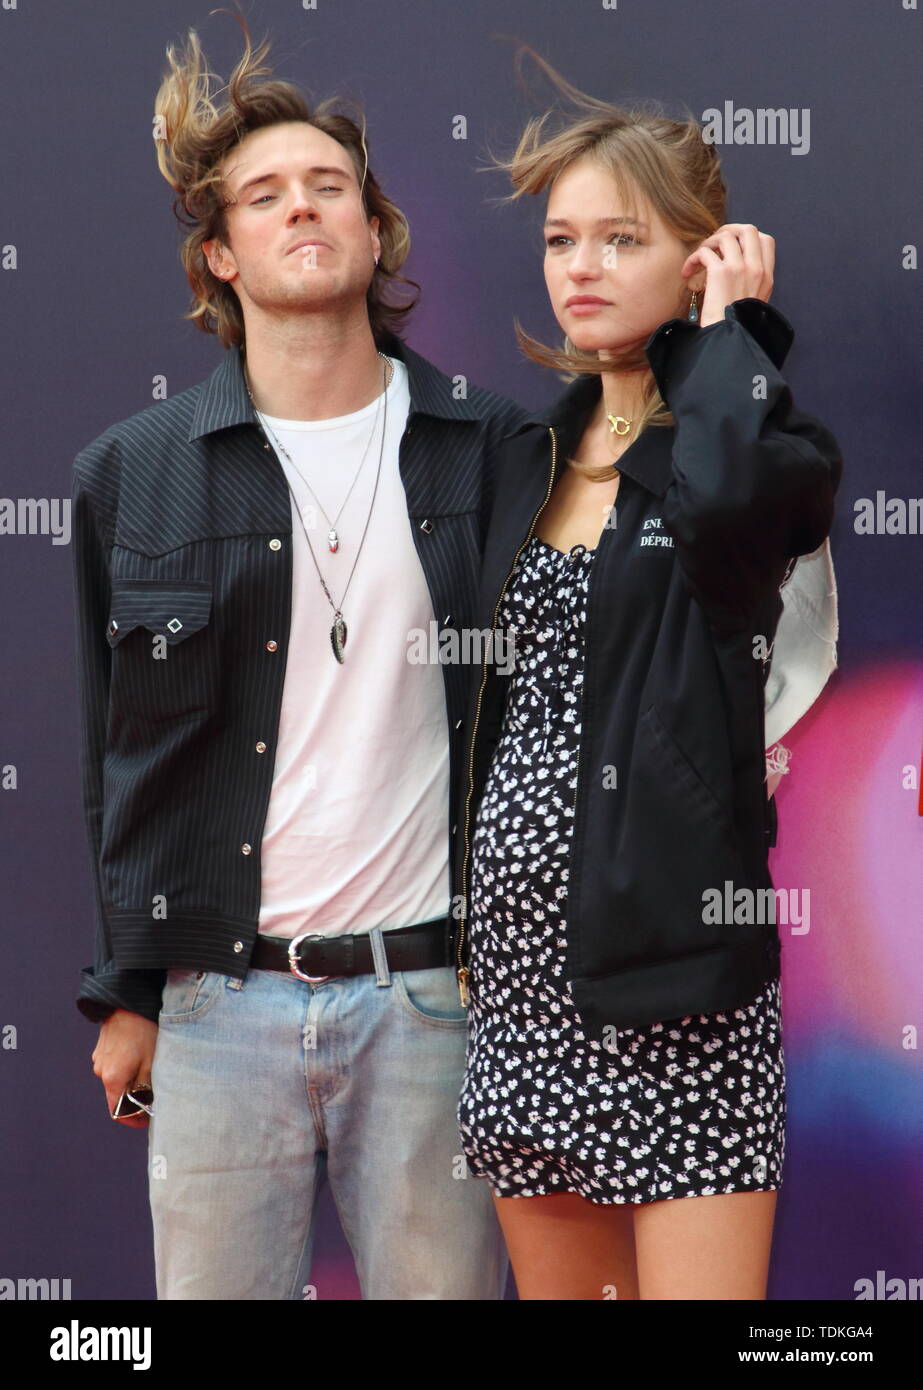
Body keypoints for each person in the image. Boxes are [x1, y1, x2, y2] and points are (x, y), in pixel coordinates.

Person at [72, 16, 533, 1299]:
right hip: (219, 1004)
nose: (301, 209)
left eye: (328, 185)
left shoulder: (494, 449)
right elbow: (115, 751)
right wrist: (127, 989)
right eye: (264, 197)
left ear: (376, 231)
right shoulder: (131, 473)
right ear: (219, 254)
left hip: (435, 995)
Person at [452, 54, 843, 1300]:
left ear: (698, 254)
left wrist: (734, 335)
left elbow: (739, 501)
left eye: (619, 237)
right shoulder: (523, 458)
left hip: (675, 972)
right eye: (562, 237)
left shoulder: (747, 439)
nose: (578, 265)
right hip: (515, 977)